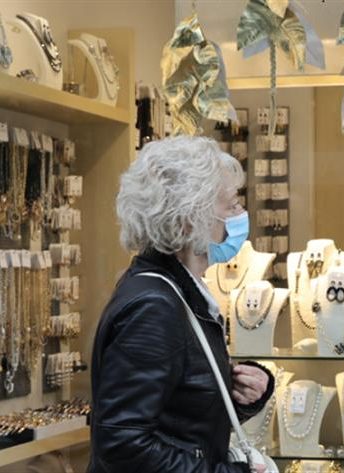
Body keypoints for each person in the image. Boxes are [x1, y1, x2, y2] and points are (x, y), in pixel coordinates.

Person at [89, 136, 273, 473]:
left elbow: (179, 420)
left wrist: (242, 394)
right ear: (191, 219)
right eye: (231, 206)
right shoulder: (154, 306)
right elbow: (123, 444)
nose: (240, 215)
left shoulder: (177, 291)